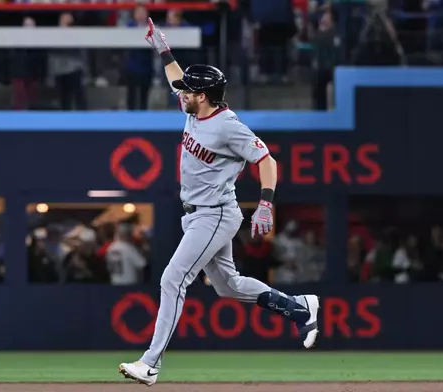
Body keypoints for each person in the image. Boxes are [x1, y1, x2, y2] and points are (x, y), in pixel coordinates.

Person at [118, 19, 321, 386]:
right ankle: (299, 307)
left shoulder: (228, 126)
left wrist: (265, 204)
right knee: (229, 286)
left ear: (206, 96)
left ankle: (150, 364)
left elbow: (268, 161)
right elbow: (175, 79)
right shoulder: (194, 109)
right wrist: (162, 48)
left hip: (215, 214)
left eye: (190, 92)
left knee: (173, 278)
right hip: (198, 214)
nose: (182, 94)